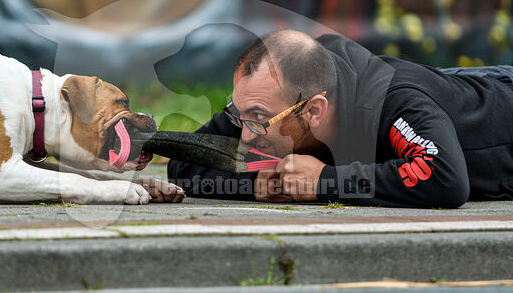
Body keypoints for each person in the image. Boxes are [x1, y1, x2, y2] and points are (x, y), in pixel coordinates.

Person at [167, 30, 513, 208]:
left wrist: (323, 181)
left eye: (257, 119)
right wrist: (254, 185)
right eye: (239, 115)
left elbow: (445, 178)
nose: (244, 137)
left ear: (314, 109)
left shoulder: (394, 102)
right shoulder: (266, 98)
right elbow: (184, 165)